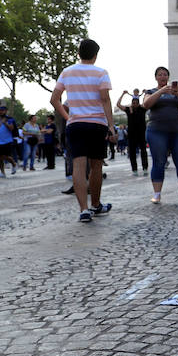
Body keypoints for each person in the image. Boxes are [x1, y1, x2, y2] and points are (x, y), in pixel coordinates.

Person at [50, 39, 116, 223]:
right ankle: (96, 204)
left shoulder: (67, 72)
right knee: (96, 166)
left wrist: (68, 116)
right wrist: (110, 125)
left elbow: (54, 99)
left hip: (76, 124)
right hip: (97, 123)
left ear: (78, 54)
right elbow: (105, 100)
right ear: (96, 55)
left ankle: (83, 210)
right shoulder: (101, 73)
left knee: (78, 167)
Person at [142, 67, 178, 203]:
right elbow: (146, 104)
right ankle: (157, 194)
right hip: (157, 131)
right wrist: (161, 91)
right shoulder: (150, 92)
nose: (163, 77)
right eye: (160, 75)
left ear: (168, 77)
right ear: (156, 77)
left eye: (165, 74)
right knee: (159, 161)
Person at [0, 105, 18, 178]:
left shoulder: (10, 119)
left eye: (3, 110)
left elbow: (11, 128)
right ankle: (2, 173)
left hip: (7, 140)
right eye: (0, 110)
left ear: (6, 111)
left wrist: (5, 123)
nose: (1, 112)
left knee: (6, 156)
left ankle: (14, 163)